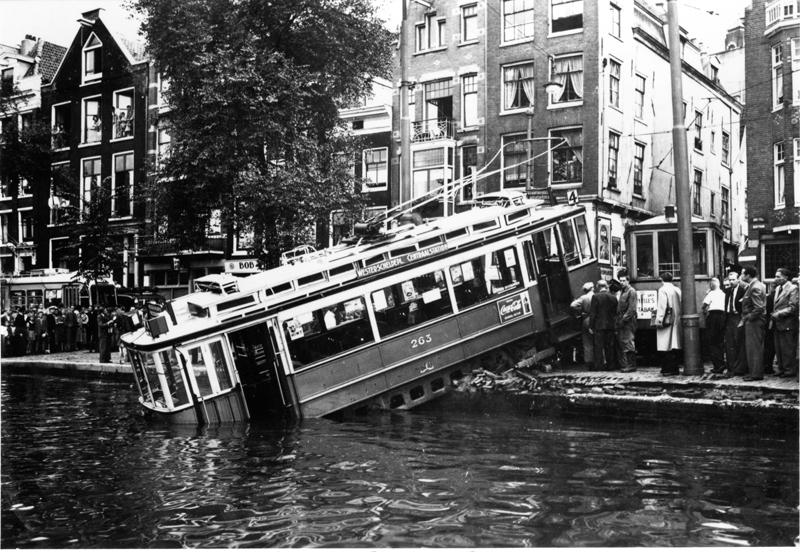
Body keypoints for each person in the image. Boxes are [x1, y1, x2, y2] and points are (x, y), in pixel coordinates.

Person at [769, 268, 798, 378]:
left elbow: (793, 307)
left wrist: (779, 313)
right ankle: (781, 368)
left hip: (787, 323)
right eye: (775, 276)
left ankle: (789, 370)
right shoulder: (777, 288)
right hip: (777, 323)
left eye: (778, 276)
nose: (776, 279)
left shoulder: (793, 288)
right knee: (779, 347)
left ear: (786, 277)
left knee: (787, 348)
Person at [739, 266, 767, 381]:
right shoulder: (756, 285)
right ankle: (754, 372)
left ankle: (755, 374)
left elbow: (759, 307)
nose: (741, 276)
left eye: (742, 274)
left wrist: (748, 317)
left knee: (754, 348)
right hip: (755, 321)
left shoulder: (755, 287)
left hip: (754, 321)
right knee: (754, 347)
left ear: (748, 275)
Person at [655, 272, 683, 375]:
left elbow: (662, 306)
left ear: (661, 279)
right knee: (674, 344)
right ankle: (674, 368)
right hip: (677, 319)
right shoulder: (677, 289)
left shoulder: (662, 290)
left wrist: (659, 320)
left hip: (667, 320)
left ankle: (667, 369)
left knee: (665, 345)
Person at [589, 279, 618, 371]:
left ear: (598, 286)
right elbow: (616, 313)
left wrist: (591, 326)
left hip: (599, 326)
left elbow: (593, 313)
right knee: (610, 346)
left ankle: (599, 366)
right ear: (606, 286)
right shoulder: (613, 297)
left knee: (598, 347)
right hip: (610, 325)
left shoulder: (595, 297)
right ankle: (611, 365)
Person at [723, 271, 746, 377]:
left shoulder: (742, 290)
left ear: (738, 279)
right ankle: (731, 368)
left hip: (738, 317)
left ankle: (740, 368)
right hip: (729, 318)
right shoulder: (727, 291)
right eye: (730, 280)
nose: (731, 282)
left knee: (738, 343)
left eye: (733, 279)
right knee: (729, 344)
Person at [702, 277, 726, 374]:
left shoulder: (711, 294)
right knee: (720, 341)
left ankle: (717, 365)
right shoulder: (723, 294)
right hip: (722, 317)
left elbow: (704, 306)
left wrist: (707, 294)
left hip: (713, 317)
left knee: (712, 342)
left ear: (711, 285)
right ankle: (722, 362)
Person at [616, 270, 638, 373]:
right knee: (624, 342)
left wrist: (624, 319)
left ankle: (631, 365)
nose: (621, 282)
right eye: (620, 281)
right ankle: (628, 364)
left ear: (628, 281)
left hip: (628, 321)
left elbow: (631, 309)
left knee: (628, 341)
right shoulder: (623, 291)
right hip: (623, 320)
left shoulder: (631, 291)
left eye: (623, 280)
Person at [570, 282, 595, 369]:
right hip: (596, 320)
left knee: (587, 342)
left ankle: (589, 363)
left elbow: (572, 305)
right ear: (592, 288)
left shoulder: (583, 297)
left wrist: (581, 310)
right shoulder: (596, 296)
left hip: (586, 319)